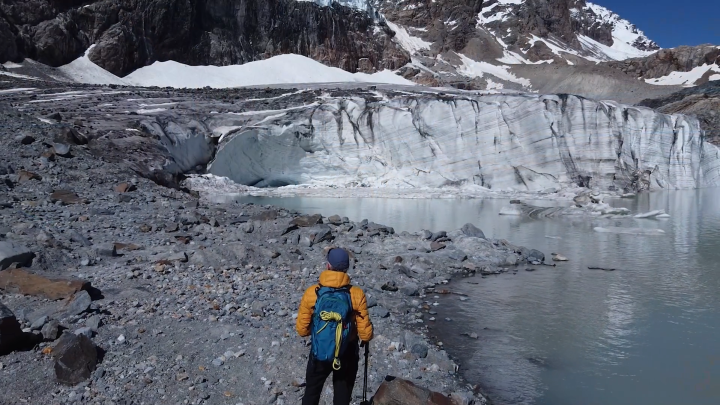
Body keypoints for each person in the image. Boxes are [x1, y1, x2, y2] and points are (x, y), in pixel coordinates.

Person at [296, 247, 374, 405]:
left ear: (328, 266)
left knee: (312, 391)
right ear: (346, 269)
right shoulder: (356, 294)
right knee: (342, 396)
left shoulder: (313, 292)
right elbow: (365, 335)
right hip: (346, 351)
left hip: (320, 350)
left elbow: (301, 330)